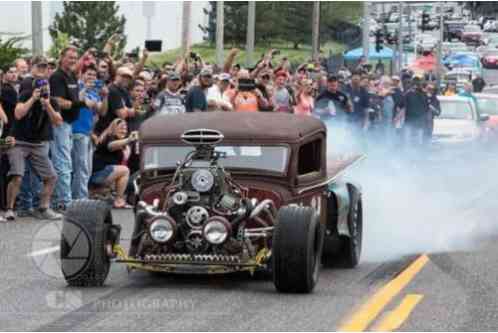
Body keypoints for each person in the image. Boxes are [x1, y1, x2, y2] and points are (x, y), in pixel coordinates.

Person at [6, 55, 63, 221]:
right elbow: (18, 113)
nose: (43, 70)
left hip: (37, 143)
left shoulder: (51, 100)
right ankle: (10, 209)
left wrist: (47, 105)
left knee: (51, 177)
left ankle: (43, 208)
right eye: (40, 66)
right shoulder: (26, 91)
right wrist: (33, 98)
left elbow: (58, 122)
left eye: (46, 68)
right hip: (19, 141)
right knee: (17, 174)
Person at [49, 45, 85, 212]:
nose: (72, 60)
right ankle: (64, 202)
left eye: (74, 57)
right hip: (59, 124)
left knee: (66, 164)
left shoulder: (71, 76)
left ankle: (61, 199)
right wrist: (82, 103)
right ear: (61, 57)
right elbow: (58, 101)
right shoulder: (56, 77)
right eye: (69, 57)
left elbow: (71, 99)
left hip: (69, 124)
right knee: (63, 164)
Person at [71, 64, 108, 200]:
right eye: (89, 74)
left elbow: (102, 111)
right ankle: (80, 198)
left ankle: (80, 196)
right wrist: (85, 88)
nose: (91, 77)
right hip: (76, 131)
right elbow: (79, 101)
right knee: (81, 168)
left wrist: (104, 97)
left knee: (87, 169)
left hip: (88, 133)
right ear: (82, 74)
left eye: (94, 75)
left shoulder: (94, 92)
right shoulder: (77, 87)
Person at [90, 119, 134, 209]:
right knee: (125, 170)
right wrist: (128, 140)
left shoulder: (122, 144)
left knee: (126, 172)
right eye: (121, 128)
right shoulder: (109, 137)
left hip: (105, 175)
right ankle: (118, 200)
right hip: (97, 175)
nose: (124, 131)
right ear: (113, 128)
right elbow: (111, 146)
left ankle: (99, 193)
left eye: (125, 129)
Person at [93, 66, 134, 139]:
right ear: (117, 76)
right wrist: (127, 110)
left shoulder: (124, 91)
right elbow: (122, 115)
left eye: (128, 78)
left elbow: (133, 112)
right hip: (106, 133)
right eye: (123, 76)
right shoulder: (112, 90)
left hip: (117, 132)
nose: (126, 79)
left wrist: (126, 109)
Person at [403, 77, 429, 150]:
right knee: (408, 141)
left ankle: (416, 154)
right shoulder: (408, 94)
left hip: (417, 121)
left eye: (417, 84)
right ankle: (409, 154)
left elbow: (426, 108)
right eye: (415, 84)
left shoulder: (423, 94)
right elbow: (403, 105)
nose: (416, 85)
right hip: (410, 120)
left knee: (415, 141)